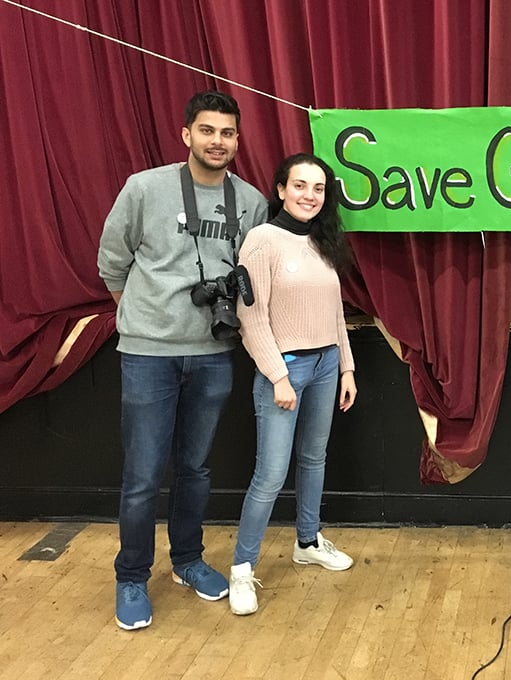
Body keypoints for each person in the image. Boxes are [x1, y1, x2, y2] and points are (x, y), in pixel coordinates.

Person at [98, 91, 269, 630]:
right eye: (208, 130)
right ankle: (131, 576)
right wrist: (143, 315)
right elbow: (112, 260)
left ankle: (188, 560)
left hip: (214, 353)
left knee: (195, 468)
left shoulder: (252, 202)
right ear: (186, 134)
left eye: (228, 133)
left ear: (238, 140)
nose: (217, 141)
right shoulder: (144, 188)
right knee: (144, 474)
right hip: (148, 352)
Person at [228, 153, 358, 616]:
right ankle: (242, 569)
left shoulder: (323, 241)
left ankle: (308, 541)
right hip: (284, 370)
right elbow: (251, 315)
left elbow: (335, 311)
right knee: (270, 474)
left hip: (325, 364)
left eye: (319, 188)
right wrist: (277, 376)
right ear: (281, 189)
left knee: (314, 458)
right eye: (300, 185)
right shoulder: (263, 240)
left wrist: (346, 368)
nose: (309, 195)